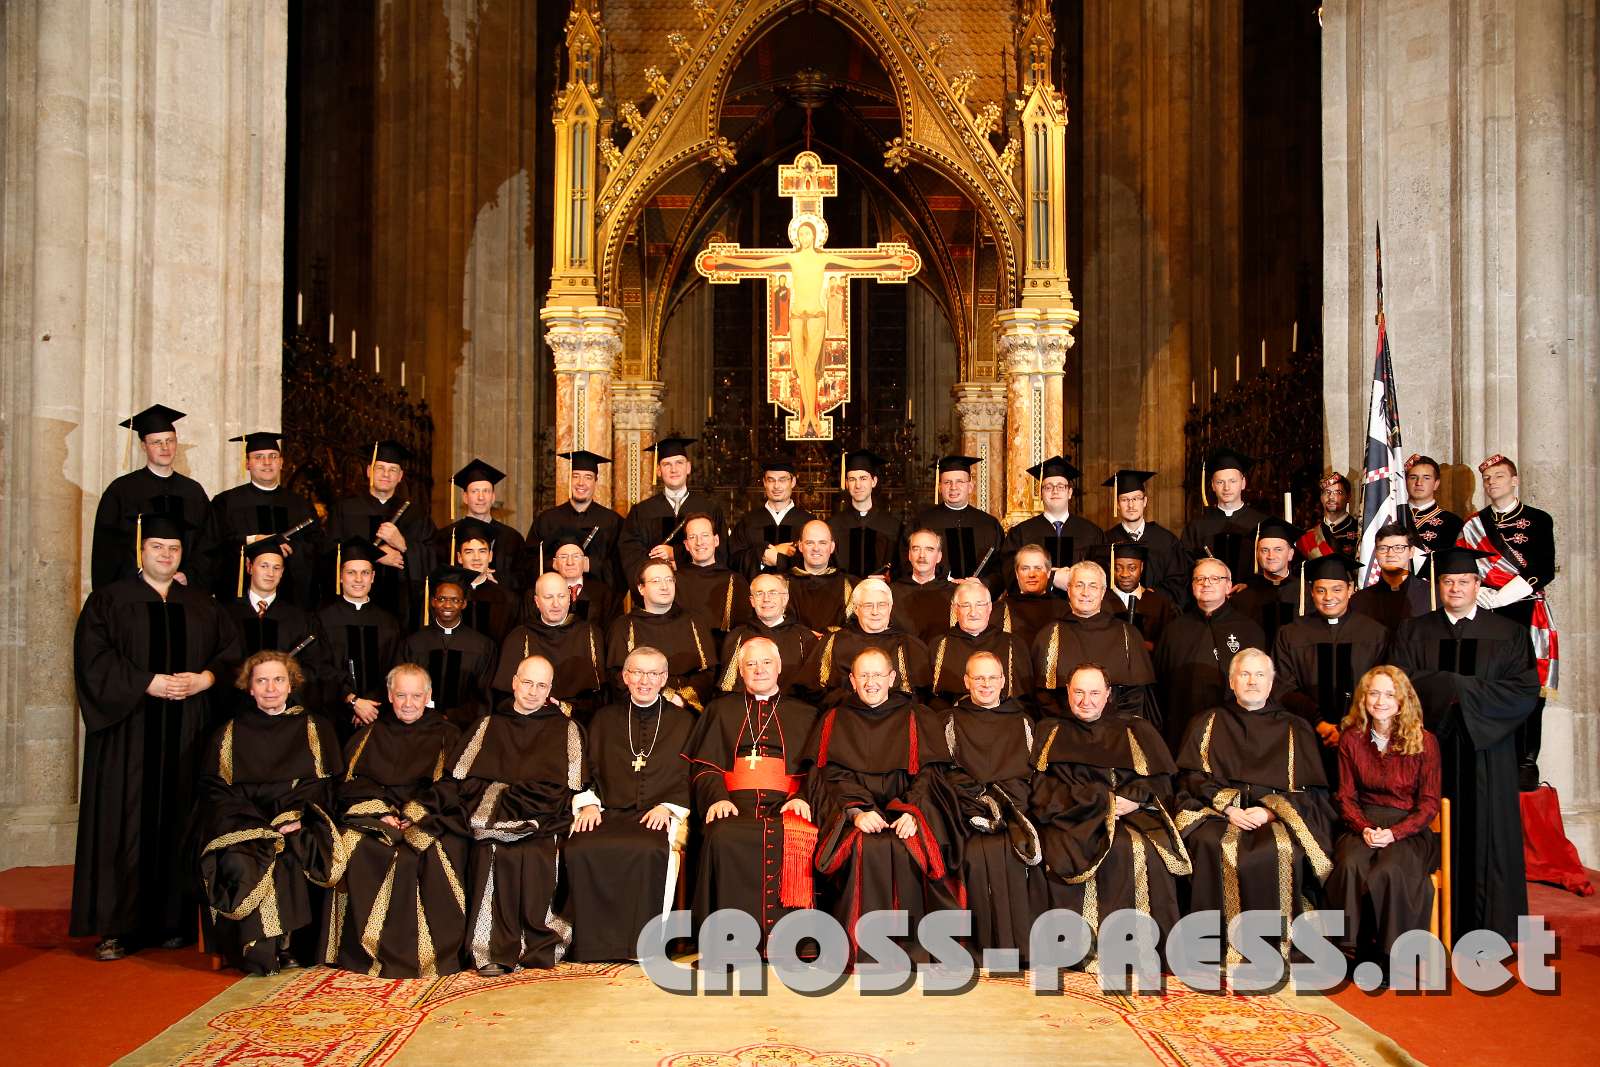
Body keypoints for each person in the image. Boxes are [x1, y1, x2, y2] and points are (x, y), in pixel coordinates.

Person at [72, 513, 242, 961]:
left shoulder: (202, 604)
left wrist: (206, 678)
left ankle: (174, 921)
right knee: (123, 822)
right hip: (129, 734)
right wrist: (145, 682)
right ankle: (117, 927)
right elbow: (93, 659)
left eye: (174, 549)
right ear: (140, 550)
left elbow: (232, 654)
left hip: (188, 732)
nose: (166, 555)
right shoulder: (110, 601)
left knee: (182, 819)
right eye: (157, 547)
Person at [1390, 546, 1539, 941]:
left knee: (1490, 834)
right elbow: (1399, 682)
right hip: (1429, 747)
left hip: (1487, 750)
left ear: (1477, 584)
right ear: (1438, 586)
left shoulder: (1508, 633)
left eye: (1463, 581)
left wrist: (1461, 691)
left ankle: (1492, 927)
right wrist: (1450, 688)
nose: (1455, 588)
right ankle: (1428, 924)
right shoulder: (1413, 631)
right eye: (1448, 581)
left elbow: (1524, 690)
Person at [1174, 649, 1336, 964]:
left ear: (1271, 682)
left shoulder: (1295, 728)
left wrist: (1270, 811)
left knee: (1279, 848)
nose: (1252, 681)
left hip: (1275, 815)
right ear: (1232, 681)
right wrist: (1228, 809)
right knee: (1208, 843)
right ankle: (1213, 946)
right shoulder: (1207, 721)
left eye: (1260, 675)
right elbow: (1190, 777)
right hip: (1221, 812)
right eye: (1244, 674)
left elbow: (1311, 792)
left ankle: (1276, 944)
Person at [806, 647, 960, 962]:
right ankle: (861, 950)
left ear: (892, 678)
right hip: (857, 815)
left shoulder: (917, 716)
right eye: (863, 675)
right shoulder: (834, 718)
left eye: (877, 674)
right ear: (852, 680)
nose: (871, 682)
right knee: (866, 847)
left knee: (907, 846)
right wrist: (856, 811)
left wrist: (913, 812)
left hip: (906, 809)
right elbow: (829, 776)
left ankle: (915, 950)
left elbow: (930, 774)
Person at [195, 651, 343, 974]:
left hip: (297, 817)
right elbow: (218, 790)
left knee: (294, 852)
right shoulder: (229, 732)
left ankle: (288, 947)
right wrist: (255, 824)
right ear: (250, 688)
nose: (271, 688)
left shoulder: (315, 727)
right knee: (243, 858)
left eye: (278, 680)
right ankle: (258, 949)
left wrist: (293, 815)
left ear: (291, 684)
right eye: (262, 681)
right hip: (243, 823)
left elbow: (321, 783)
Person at [1030, 663, 1189, 955]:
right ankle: (1079, 949)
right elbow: (1041, 789)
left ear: (1108, 694)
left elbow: (1162, 780)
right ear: (1068, 692)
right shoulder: (1049, 730)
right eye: (1078, 692)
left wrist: (1136, 799)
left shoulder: (1135, 729)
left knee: (1141, 850)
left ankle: (1139, 948)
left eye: (1094, 693)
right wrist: (1097, 802)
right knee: (1064, 849)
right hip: (1069, 815)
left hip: (1128, 815)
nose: (1086, 701)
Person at [450, 655, 591, 974]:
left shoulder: (567, 728)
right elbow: (463, 778)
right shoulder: (487, 724)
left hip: (542, 818)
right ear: (514, 682)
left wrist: (523, 808)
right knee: (493, 853)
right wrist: (501, 803)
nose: (532, 691)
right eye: (527, 682)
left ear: (550, 690)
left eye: (541, 685)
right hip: (489, 820)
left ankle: (537, 944)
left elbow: (571, 784)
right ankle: (491, 951)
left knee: (534, 855)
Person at [328, 663, 468, 977]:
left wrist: (415, 813)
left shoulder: (448, 734)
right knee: (358, 846)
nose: (408, 703)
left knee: (436, 850)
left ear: (428, 696)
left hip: (431, 814)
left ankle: (437, 953)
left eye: (416, 696)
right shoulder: (369, 733)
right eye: (401, 695)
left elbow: (455, 784)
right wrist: (382, 813)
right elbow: (351, 783)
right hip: (379, 815)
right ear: (390, 696)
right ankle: (368, 949)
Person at [563, 647, 696, 962]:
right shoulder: (604, 718)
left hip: (659, 811)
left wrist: (669, 807)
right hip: (608, 810)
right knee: (580, 846)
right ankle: (590, 945)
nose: (644, 681)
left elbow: (692, 774)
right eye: (637, 672)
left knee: (649, 849)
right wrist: (589, 804)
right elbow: (587, 768)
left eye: (653, 674)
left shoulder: (684, 722)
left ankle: (642, 945)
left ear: (664, 678)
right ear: (625, 676)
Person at [687, 638, 820, 951]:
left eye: (766, 663)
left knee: (795, 833)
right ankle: (726, 942)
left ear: (779, 667)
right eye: (751, 664)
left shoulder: (806, 713)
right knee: (722, 834)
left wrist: (802, 797)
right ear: (740, 671)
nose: (759, 670)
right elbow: (704, 767)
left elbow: (817, 768)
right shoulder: (720, 710)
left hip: (786, 804)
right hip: (734, 804)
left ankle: (791, 941)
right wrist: (717, 797)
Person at [1326, 666, 1441, 966]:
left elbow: (1429, 804)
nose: (1380, 701)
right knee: (1350, 864)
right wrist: (1364, 827)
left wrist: (1394, 833)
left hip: (1408, 828)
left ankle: (1390, 955)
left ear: (1402, 701)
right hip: (1362, 823)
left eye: (1389, 694)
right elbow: (1346, 796)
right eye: (1374, 693)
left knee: (1389, 870)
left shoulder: (1424, 741)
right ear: (1363, 698)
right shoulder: (1351, 739)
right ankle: (1349, 950)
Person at [1460, 453, 1558, 789]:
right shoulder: (1473, 524)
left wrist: (1505, 594)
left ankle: (1526, 761)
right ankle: (1490, 758)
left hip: (1525, 610)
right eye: (1487, 479)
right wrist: (1481, 593)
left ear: (1514, 480)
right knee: (1488, 684)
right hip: (1486, 612)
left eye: (1499, 476)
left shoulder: (1538, 519)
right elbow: (1463, 566)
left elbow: (1544, 567)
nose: (1492, 483)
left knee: (1530, 686)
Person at [943, 652, 1042, 961]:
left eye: (992, 678)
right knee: (974, 856)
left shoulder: (1023, 721)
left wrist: (1005, 803)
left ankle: (1022, 949)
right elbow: (947, 772)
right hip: (968, 812)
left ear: (1003, 681)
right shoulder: (950, 720)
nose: (985, 684)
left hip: (1015, 810)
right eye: (978, 678)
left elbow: (1033, 772)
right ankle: (983, 949)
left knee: (1015, 853)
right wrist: (980, 800)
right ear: (966, 681)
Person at [1271, 555, 1390, 787]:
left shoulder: (1375, 633)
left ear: (1350, 590)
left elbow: (1382, 686)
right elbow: (1282, 685)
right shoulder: (1291, 634)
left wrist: (1348, 726)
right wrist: (1319, 723)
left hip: (1363, 737)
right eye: (1321, 590)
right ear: (1311, 592)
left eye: (1337, 589)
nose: (1328, 597)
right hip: (1306, 736)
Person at [92, 405, 212, 590]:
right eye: (156, 442)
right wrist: (137, 576)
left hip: (182, 590)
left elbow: (207, 543)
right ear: (143, 446)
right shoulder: (122, 490)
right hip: (132, 589)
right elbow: (107, 547)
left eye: (170, 441)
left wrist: (189, 575)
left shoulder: (192, 491)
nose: (165, 448)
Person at [1154, 558, 1266, 750]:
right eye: (1200, 579)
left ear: (1228, 586)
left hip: (1233, 730)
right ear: (1192, 586)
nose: (1206, 583)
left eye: (1215, 578)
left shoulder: (1249, 630)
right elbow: (1160, 683)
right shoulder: (1174, 630)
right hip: (1181, 729)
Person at [326, 440, 434, 627]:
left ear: (400, 476)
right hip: (355, 601)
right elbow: (330, 550)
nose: (386, 474)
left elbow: (433, 554)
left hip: (402, 606)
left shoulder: (415, 514)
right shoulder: (345, 509)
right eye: (380, 468)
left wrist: (404, 545)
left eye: (393, 470)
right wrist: (376, 555)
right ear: (369, 471)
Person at [207, 430, 323, 606]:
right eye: (259, 457)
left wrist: (291, 548)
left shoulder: (300, 504)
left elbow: (316, 547)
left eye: (273, 456)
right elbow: (214, 545)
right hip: (239, 600)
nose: (267, 462)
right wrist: (254, 540)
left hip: (289, 599)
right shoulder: (226, 502)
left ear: (281, 462)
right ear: (247, 463)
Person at [1033, 561, 1157, 722]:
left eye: (1093, 586)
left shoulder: (1127, 633)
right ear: (1069, 590)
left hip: (1115, 727)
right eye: (1079, 585)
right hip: (1065, 726)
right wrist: (1072, 725)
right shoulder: (1050, 634)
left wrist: (1109, 726)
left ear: (1103, 592)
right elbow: (1044, 696)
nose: (1085, 593)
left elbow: (1135, 695)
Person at [222, 538, 335, 708]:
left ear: (282, 572)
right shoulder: (226, 614)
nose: (270, 573)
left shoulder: (299, 618)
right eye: (264, 566)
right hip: (235, 706)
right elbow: (219, 662)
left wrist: (283, 684)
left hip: (285, 708)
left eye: (276, 568)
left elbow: (314, 665)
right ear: (249, 567)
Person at [318, 538, 403, 743]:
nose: (358, 579)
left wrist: (370, 703)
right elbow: (319, 666)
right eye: (351, 572)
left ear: (373, 577)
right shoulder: (322, 619)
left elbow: (395, 667)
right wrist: (353, 701)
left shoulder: (388, 621)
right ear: (340, 577)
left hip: (379, 714)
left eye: (365, 573)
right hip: (334, 716)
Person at [494, 572, 608, 726]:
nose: (556, 604)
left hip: (579, 722)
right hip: (528, 723)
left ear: (569, 598)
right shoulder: (518, 637)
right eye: (548, 597)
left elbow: (601, 696)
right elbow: (504, 698)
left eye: (561, 596)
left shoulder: (590, 633)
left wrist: (564, 707)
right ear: (537, 601)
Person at [797, 577, 932, 705]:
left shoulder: (909, 644)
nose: (875, 612)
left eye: (881, 605)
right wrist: (856, 701)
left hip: (897, 716)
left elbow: (922, 695)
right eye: (868, 605)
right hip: (847, 714)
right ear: (856, 609)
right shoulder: (834, 641)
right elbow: (813, 690)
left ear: (890, 607)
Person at [604, 561, 718, 712]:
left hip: (690, 709)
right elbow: (618, 675)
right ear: (641, 588)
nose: (665, 586)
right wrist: (664, 696)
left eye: (669, 580)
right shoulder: (623, 626)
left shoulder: (695, 621)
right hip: (642, 710)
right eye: (656, 581)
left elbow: (708, 671)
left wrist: (682, 698)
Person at [616, 437, 724, 584]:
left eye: (679, 463)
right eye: (667, 464)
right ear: (658, 470)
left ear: (688, 467)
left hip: (699, 587)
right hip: (657, 588)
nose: (674, 469)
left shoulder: (709, 509)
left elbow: (721, 552)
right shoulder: (641, 512)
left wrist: (675, 554)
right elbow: (631, 556)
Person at [399, 571, 495, 727]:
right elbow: (402, 687)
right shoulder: (413, 643)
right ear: (433, 602)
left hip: (464, 727)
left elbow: (483, 696)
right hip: (418, 725)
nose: (448, 605)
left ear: (464, 604)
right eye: (442, 599)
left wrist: (453, 716)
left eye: (455, 600)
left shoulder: (482, 646)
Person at [525, 449, 623, 591]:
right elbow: (528, 562)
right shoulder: (547, 520)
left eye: (588, 477)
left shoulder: (612, 521)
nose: (581, 483)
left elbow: (622, 566)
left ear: (596, 481)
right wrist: (554, 564)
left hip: (599, 600)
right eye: (575, 476)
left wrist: (590, 565)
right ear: (569, 479)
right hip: (554, 597)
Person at [928, 583, 1033, 707]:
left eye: (980, 605)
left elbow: (1025, 699)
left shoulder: (1013, 644)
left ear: (989, 607)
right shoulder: (939, 645)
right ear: (955, 609)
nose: (973, 613)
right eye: (966, 605)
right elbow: (930, 699)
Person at [910, 455, 1005, 592]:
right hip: (934, 595)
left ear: (970, 486)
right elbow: (908, 563)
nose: (953, 487)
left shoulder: (989, 524)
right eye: (947, 482)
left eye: (960, 482)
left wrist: (983, 583)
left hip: (978, 598)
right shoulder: (923, 522)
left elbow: (1002, 568)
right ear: (940, 487)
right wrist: (943, 584)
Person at [999, 456, 1102, 582]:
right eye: (1048, 487)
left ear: (1069, 492)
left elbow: (1100, 575)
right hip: (1035, 595)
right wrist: (1051, 579)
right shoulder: (1021, 533)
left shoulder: (1091, 532)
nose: (1055, 491)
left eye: (1061, 486)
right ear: (1041, 494)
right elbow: (1010, 574)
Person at [1179, 447, 1267, 593]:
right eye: (1220, 482)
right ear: (1213, 485)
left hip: (1250, 598)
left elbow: (1270, 566)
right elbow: (1185, 568)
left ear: (1243, 483)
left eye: (1232, 481)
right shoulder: (1197, 526)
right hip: (1207, 598)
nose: (1226, 488)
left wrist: (1250, 586)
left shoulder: (1261, 524)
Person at [718, 573, 818, 696]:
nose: (766, 599)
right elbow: (728, 687)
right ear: (752, 601)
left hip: (793, 706)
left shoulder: (805, 638)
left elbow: (813, 688)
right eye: (759, 594)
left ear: (785, 599)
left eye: (773, 593)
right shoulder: (736, 637)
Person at [434, 458, 525, 591]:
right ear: (465, 497)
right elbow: (436, 576)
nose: (481, 497)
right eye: (475, 491)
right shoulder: (446, 536)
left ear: (493, 497)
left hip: (499, 601)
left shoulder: (512, 538)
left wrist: (497, 578)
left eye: (486, 491)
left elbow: (523, 578)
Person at [1102, 469, 1185, 602]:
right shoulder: (1106, 540)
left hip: (1157, 608)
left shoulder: (1167, 540)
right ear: (1117, 504)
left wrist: (1151, 596)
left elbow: (1178, 581)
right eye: (1124, 500)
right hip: (1116, 610)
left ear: (1145, 501)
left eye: (1136, 498)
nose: (1131, 505)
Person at [728, 457, 816, 578]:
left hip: (795, 589)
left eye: (782, 480)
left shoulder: (808, 522)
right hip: (756, 589)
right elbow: (733, 560)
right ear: (764, 482)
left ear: (793, 482)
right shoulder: (749, 521)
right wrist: (763, 555)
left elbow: (817, 561)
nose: (776, 486)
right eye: (771, 480)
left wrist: (779, 560)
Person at [673, 513, 753, 643]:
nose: (699, 542)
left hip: (724, 651)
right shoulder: (674, 580)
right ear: (686, 545)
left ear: (716, 540)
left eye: (705, 535)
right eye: (692, 537)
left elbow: (743, 630)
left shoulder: (736, 581)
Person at [827, 449, 903, 580]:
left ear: (874, 481)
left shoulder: (893, 526)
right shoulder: (833, 526)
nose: (858, 485)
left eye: (863, 478)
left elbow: (900, 570)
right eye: (852, 479)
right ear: (846, 483)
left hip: (880, 591)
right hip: (842, 591)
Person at [1230, 517, 1304, 650]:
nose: (1271, 556)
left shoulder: (1307, 594)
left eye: (1278, 549)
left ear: (1290, 554)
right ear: (1257, 555)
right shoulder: (1244, 597)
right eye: (1264, 550)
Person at [1350, 523, 1432, 632]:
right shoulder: (1359, 600)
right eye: (1383, 548)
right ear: (1375, 553)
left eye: (1398, 548)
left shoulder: (1432, 594)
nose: (1390, 554)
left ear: (1411, 552)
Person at [1095, 542, 1176, 651]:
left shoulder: (1160, 603)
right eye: (1118, 568)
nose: (1125, 574)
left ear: (1141, 567)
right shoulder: (1099, 600)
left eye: (1132, 568)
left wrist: (1149, 646)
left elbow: (1169, 645)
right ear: (1111, 568)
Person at [454, 517, 521, 644]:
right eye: (469, 552)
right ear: (459, 557)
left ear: (490, 556)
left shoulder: (508, 599)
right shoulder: (448, 597)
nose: (476, 558)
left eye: (482, 551)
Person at [1402, 454, 1464, 585]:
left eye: (1426, 478)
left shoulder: (1453, 523)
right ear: (1405, 482)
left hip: (1433, 590)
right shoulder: (1393, 516)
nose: (1419, 483)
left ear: (1436, 484)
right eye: (1413, 477)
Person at [889, 528, 958, 643]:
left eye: (929, 549)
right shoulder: (891, 592)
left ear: (939, 557)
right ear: (909, 555)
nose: (922, 555)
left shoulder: (954, 593)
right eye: (916, 549)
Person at [785, 519, 854, 634]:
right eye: (809, 543)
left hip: (836, 643)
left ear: (832, 547)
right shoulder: (782, 584)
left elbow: (854, 628)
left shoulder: (850, 585)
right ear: (800, 546)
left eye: (822, 543)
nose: (816, 548)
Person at [996, 544, 1068, 648]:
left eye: (1038, 568)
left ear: (1049, 573)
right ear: (1017, 574)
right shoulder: (999, 610)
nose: (1031, 575)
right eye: (1025, 568)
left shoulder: (1065, 611)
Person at [544, 537, 619, 630]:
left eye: (576, 556)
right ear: (554, 563)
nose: (570, 562)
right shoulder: (544, 593)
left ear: (585, 561)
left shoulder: (605, 594)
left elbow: (613, 630)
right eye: (563, 557)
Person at [1296, 473, 1360, 560]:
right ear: (1321, 497)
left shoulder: (1359, 530)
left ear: (1348, 497)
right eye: (1327, 492)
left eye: (1338, 492)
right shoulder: (1308, 537)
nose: (1331, 497)